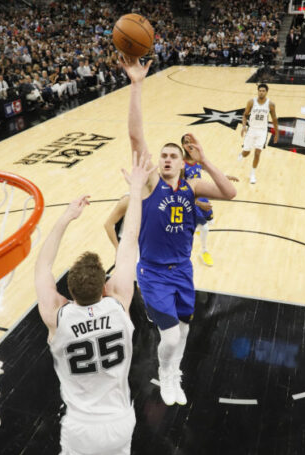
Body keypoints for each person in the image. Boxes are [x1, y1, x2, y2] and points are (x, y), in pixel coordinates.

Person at [121, 55, 237, 406]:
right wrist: (137, 84)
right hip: (153, 272)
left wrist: (204, 161)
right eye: (164, 155)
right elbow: (135, 134)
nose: (168, 158)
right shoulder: (151, 182)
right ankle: (166, 374)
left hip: (183, 270)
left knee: (185, 328)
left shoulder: (192, 184)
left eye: (174, 155)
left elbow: (230, 192)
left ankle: (175, 372)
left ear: (183, 162)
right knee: (170, 338)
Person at [35, 152, 153, 455]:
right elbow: (129, 241)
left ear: (68, 291)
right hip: (118, 422)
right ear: (105, 284)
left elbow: (43, 268)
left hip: (80, 426)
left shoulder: (56, 316)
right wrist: (135, 188)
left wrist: (66, 218)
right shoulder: (118, 302)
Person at [181, 133, 239, 266]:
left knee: (210, 221)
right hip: (192, 201)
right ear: (183, 146)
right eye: (186, 141)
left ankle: (196, 228)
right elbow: (182, 191)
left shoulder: (197, 161)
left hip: (202, 197)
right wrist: (198, 203)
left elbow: (209, 171)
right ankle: (204, 251)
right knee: (205, 227)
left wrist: (226, 177)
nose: (189, 143)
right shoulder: (182, 165)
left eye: (191, 141)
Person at [237, 83, 278, 184]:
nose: (261, 92)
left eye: (263, 91)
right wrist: (243, 126)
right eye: (260, 90)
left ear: (266, 92)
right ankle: (242, 154)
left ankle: (252, 174)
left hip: (262, 131)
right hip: (251, 130)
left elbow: (274, 119)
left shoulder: (270, 104)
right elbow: (245, 115)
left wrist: (276, 133)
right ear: (258, 91)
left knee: (257, 153)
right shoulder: (251, 102)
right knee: (247, 152)